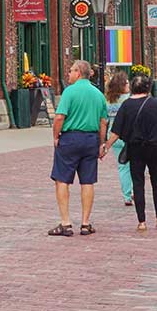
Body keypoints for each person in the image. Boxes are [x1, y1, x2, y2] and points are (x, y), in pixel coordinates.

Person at [46, 60, 109, 237]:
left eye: (71, 71)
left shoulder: (70, 92)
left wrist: (56, 137)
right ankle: (85, 222)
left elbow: (59, 117)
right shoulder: (98, 94)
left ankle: (66, 223)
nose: (69, 74)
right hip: (91, 139)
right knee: (87, 181)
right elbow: (103, 121)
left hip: (70, 138)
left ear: (79, 73)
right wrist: (101, 143)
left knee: (62, 180)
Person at [114, 73, 157, 231]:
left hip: (135, 147)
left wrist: (105, 146)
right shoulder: (155, 104)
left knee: (138, 183)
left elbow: (116, 131)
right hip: (154, 147)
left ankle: (142, 222)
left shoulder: (126, 105)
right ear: (148, 87)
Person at [104, 71, 133, 207]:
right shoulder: (129, 99)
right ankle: (132, 190)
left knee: (122, 167)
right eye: (127, 82)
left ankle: (126, 195)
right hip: (129, 136)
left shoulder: (109, 100)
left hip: (114, 137)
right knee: (136, 166)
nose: (129, 84)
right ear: (122, 85)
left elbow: (104, 121)